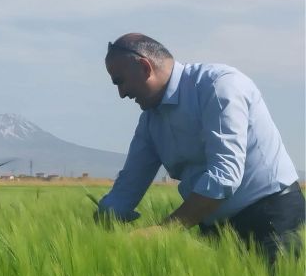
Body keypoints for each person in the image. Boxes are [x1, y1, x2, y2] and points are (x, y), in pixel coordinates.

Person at [98, 33, 304, 262]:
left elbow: (224, 177)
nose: (121, 93)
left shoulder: (218, 85)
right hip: (215, 231)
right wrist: (106, 219)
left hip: (271, 221)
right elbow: (130, 181)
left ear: (145, 67)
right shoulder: (150, 121)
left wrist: (164, 230)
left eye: (120, 81)